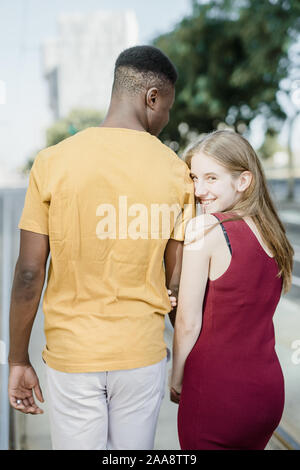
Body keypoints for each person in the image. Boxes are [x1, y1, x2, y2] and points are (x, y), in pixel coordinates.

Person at [8, 45, 195, 450]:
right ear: (152, 97)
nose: (166, 119)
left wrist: (19, 359)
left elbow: (28, 273)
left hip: (72, 356)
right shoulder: (177, 172)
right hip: (141, 355)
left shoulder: (53, 162)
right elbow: (177, 281)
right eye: (167, 108)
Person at [169, 129, 294, 450]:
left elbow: (188, 323)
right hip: (266, 393)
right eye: (194, 178)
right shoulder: (273, 232)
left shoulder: (205, 228)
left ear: (243, 181)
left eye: (211, 178)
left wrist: (177, 377)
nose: (199, 190)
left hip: (215, 393)